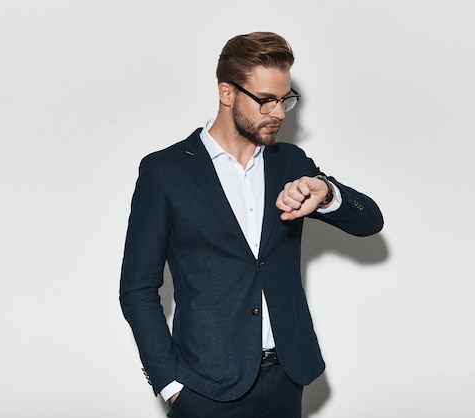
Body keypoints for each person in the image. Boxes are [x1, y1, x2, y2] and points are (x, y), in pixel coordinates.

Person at [119, 31, 384, 418]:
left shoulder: (291, 164)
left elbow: (370, 221)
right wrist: (169, 383)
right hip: (204, 387)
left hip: (288, 377)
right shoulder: (166, 171)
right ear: (227, 93)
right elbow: (137, 287)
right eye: (265, 100)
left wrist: (326, 192)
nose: (278, 113)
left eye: (285, 99)